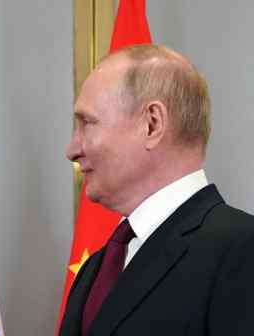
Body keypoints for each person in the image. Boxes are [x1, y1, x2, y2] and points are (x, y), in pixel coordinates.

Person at [60, 44, 254, 336]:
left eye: (87, 123)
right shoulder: (95, 269)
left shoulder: (242, 251)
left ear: (152, 124)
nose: (72, 150)